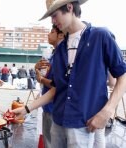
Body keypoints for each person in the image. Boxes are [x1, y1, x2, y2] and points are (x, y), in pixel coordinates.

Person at [12, 0, 126, 148]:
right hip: (58, 121)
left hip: (83, 123)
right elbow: (57, 89)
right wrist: (27, 109)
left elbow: (122, 75)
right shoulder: (60, 49)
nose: (53, 21)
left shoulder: (100, 36)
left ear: (70, 7)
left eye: (54, 15)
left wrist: (107, 111)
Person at [35, 24, 64, 148]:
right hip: (48, 106)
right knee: (48, 141)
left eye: (52, 32)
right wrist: (37, 68)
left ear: (61, 35)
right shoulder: (53, 55)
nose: (48, 34)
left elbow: (56, 83)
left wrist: (41, 79)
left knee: (51, 142)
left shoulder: (61, 55)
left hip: (54, 107)